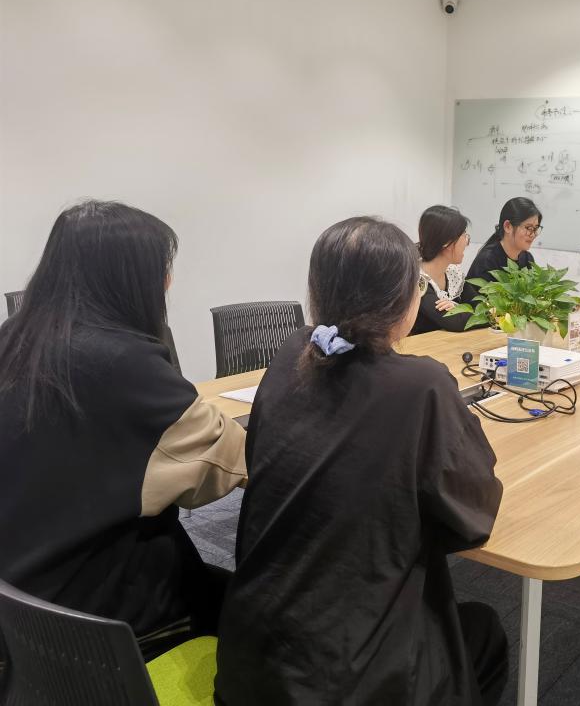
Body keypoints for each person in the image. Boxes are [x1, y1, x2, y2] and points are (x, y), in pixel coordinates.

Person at [215, 216, 508, 706]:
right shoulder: (422, 385)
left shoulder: (290, 355)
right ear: (403, 299)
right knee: (486, 633)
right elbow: (473, 516)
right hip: (353, 683)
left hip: (249, 667)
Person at [0, 200, 247, 660]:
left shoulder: (14, 339)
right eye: (161, 270)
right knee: (269, 608)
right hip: (103, 620)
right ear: (130, 277)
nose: (167, 283)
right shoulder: (123, 363)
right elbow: (225, 465)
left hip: (21, 601)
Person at [410, 204, 475, 335]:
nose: (467, 242)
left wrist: (458, 308)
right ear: (447, 242)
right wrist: (466, 311)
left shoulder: (453, 272)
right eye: (464, 235)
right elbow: (454, 321)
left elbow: (484, 307)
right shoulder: (418, 279)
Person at [464, 196, 541, 287]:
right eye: (529, 228)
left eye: (535, 228)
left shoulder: (527, 258)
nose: (533, 234)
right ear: (508, 226)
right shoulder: (487, 260)